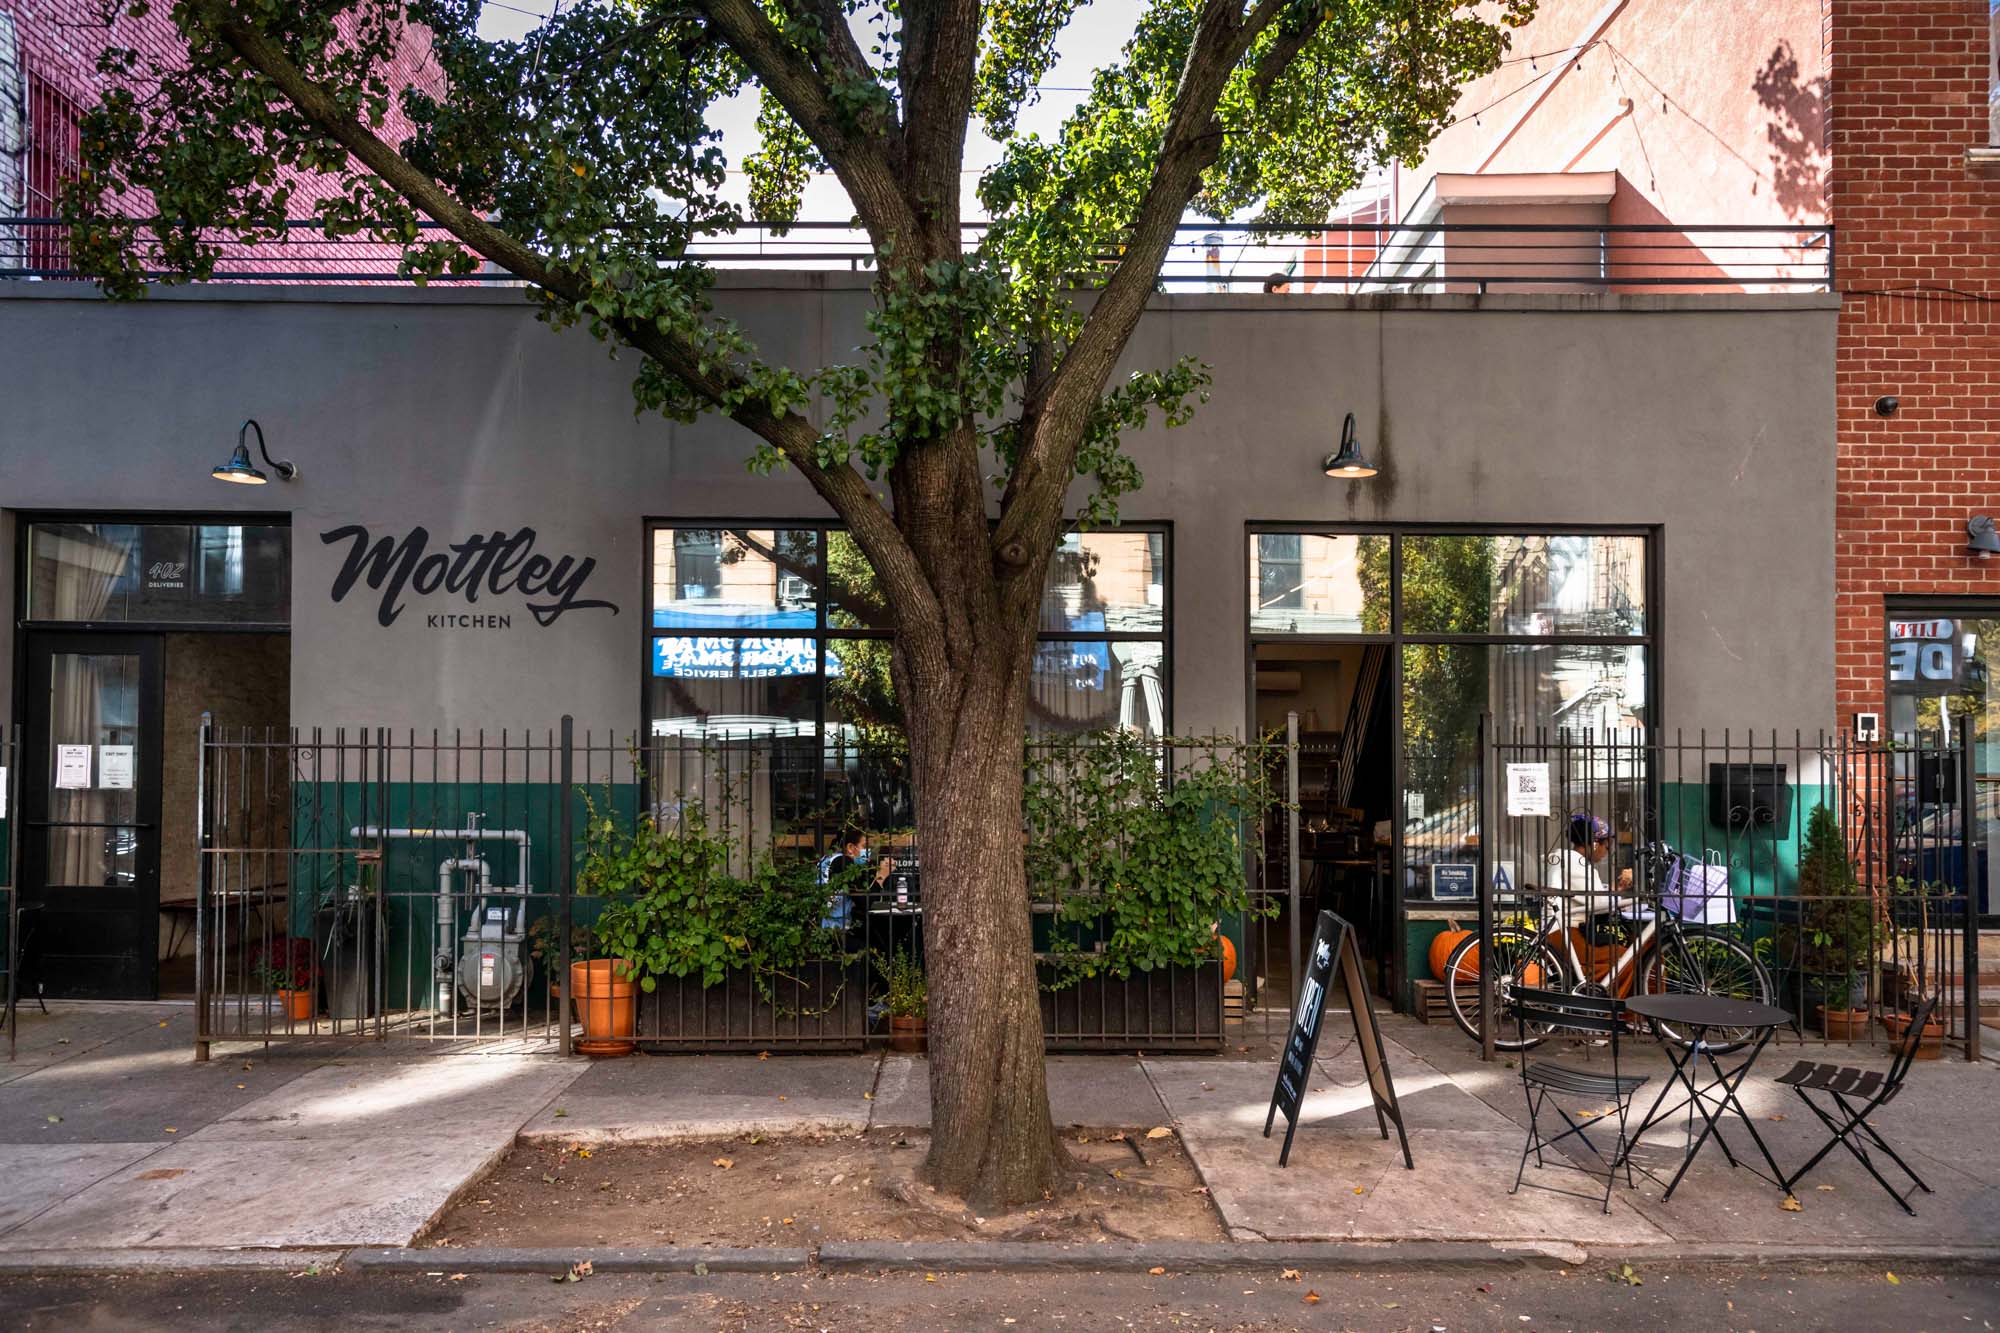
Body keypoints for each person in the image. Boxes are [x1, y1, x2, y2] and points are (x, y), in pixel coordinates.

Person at [1539, 812, 1634, 932]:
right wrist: (1624, 900)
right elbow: (1599, 905)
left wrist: (1617, 888)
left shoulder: (1567, 861)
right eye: (1607, 846)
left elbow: (1589, 896)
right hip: (1563, 931)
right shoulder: (1575, 864)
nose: (1607, 852)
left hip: (1563, 928)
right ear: (1594, 844)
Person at [819, 828, 896, 930]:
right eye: (864, 846)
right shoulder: (843, 862)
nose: (868, 851)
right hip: (835, 930)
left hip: (826, 925)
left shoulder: (828, 859)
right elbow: (866, 903)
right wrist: (881, 875)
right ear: (850, 847)